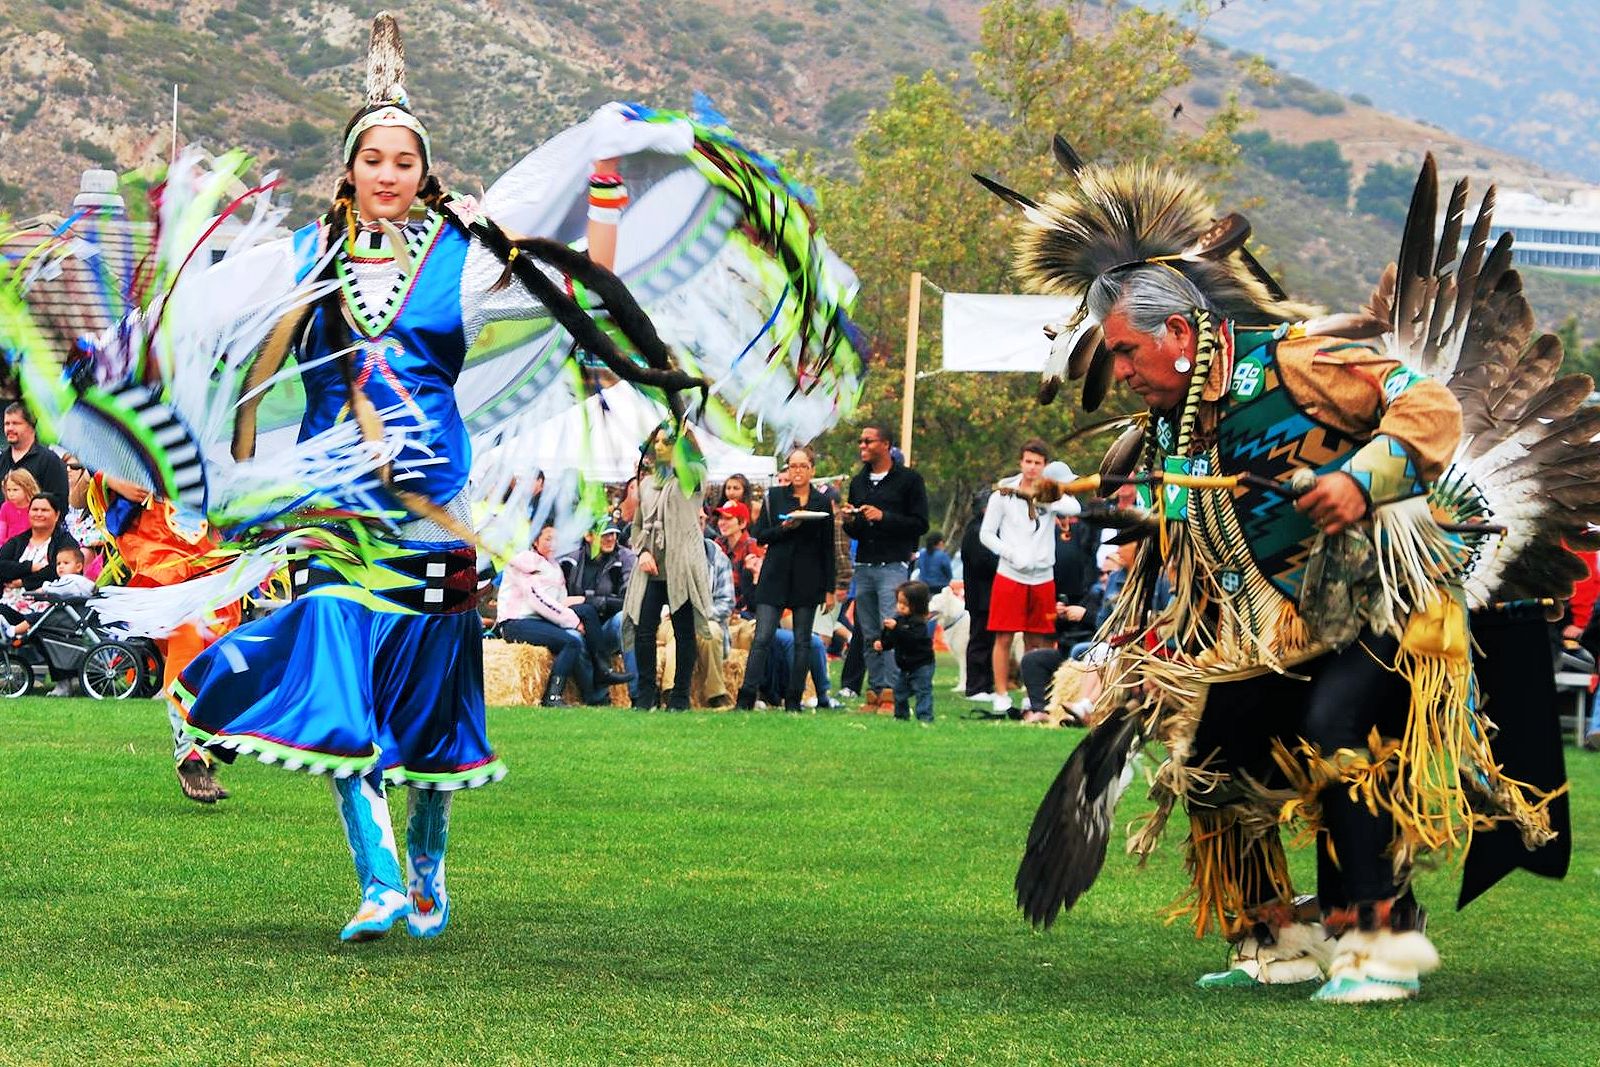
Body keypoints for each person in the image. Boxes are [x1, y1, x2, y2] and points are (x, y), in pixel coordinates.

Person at [995, 148, 1573, 1004]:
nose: (1117, 372)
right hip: (1280, 626)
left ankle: (1381, 939)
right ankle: (1278, 934)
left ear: (1182, 336)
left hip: (1389, 597)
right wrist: (1072, 499)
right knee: (1212, 749)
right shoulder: (1177, 421)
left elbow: (1429, 405)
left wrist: (1358, 479)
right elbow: (1194, 520)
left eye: (1124, 352)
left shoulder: (1297, 364)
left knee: (1339, 724)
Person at [166, 14, 695, 942]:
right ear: (349, 170)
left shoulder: (460, 262)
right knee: (339, 675)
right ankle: (374, 879)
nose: (387, 174)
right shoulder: (305, 258)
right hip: (339, 508)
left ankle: (426, 871)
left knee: (430, 710)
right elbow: (218, 322)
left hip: (435, 509)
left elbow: (578, 302)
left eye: (403, 161)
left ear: (422, 174)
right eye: (373, 159)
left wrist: (604, 193)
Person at [91, 472, 244, 803]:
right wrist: (111, 480)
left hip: (209, 554)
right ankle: (188, 753)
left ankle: (203, 747)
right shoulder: (138, 431)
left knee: (215, 652)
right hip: (160, 550)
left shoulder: (215, 435)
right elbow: (79, 494)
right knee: (187, 637)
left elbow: (238, 461)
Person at [622, 423, 714, 711]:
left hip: (681, 565)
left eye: (667, 442)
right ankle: (646, 697)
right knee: (643, 629)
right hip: (652, 568)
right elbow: (636, 526)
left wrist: (684, 432)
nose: (660, 447)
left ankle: (679, 697)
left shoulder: (690, 479)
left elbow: (699, 465)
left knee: (684, 632)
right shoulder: (648, 484)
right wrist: (642, 552)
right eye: (657, 442)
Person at [981, 439, 1074, 716]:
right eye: (1028, 461)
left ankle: (1031, 693)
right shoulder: (1003, 494)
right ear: (1021, 462)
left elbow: (1075, 509)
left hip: (1043, 576)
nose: (1032, 467)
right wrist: (1010, 553)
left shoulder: (1051, 493)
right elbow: (986, 534)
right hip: (1011, 574)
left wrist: (1055, 491)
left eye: (1038, 463)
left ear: (1045, 466)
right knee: (1004, 636)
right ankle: (1000, 693)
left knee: (1037, 640)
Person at [737, 446, 835, 711]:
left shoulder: (822, 503)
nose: (798, 471)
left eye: (803, 466)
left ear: (812, 470)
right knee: (763, 636)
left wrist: (830, 588)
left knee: (803, 640)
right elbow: (761, 535)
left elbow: (828, 547)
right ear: (787, 470)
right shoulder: (775, 497)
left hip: (808, 577)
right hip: (775, 575)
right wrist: (784, 528)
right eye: (793, 466)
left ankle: (793, 700)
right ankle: (746, 695)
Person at [842, 421, 929, 711]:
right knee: (868, 632)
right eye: (860, 441)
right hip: (864, 565)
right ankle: (875, 691)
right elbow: (855, 532)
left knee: (891, 629)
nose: (862, 446)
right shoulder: (858, 482)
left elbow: (920, 524)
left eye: (868, 441)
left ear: (886, 445)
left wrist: (884, 517)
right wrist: (851, 521)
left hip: (892, 565)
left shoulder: (909, 480)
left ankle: (894, 692)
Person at [498, 524, 588, 707]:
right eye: (548, 538)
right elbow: (537, 599)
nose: (552, 544)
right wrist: (572, 621)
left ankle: (593, 691)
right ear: (535, 540)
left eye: (555, 539)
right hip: (516, 622)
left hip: (540, 621)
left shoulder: (554, 566)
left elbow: (559, 600)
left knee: (576, 635)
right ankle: (553, 696)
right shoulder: (526, 560)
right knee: (571, 642)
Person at [560, 522, 636, 705]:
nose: (611, 538)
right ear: (588, 536)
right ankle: (597, 698)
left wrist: (588, 599)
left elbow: (628, 601)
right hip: (578, 624)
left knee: (625, 620)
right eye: (604, 534)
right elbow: (560, 601)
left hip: (607, 626)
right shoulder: (569, 561)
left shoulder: (626, 558)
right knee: (573, 639)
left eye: (613, 534)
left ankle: (638, 695)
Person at [958, 491, 1000, 702]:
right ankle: (976, 686)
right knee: (980, 641)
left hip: (987, 596)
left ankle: (987, 683)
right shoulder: (977, 532)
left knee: (988, 641)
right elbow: (984, 563)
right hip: (981, 596)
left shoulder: (983, 530)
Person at [875, 579, 935, 723]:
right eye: (899, 602)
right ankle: (901, 716)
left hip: (922, 665)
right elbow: (895, 640)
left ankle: (925, 717)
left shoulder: (919, 623)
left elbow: (911, 638)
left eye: (905, 604)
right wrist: (883, 643)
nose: (900, 607)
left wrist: (896, 628)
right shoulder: (899, 620)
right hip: (905, 666)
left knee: (923, 691)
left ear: (917, 605)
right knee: (899, 692)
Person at [0, 403, 68, 510]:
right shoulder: (2, 460)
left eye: (16, 423)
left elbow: (60, 505)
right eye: (7, 424)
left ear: (31, 425)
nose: (10, 428)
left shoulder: (50, 461)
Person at [713, 500, 763, 618]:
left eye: (728, 519)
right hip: (720, 608)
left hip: (745, 612)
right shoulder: (717, 544)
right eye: (721, 518)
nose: (722, 523)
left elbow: (754, 595)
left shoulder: (753, 547)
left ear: (742, 523)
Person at [0, 468, 39, 543]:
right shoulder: (5, 507)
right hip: (9, 546)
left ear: (27, 488)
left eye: (15, 490)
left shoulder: (35, 507)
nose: (11, 494)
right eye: (8, 490)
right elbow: (1, 532)